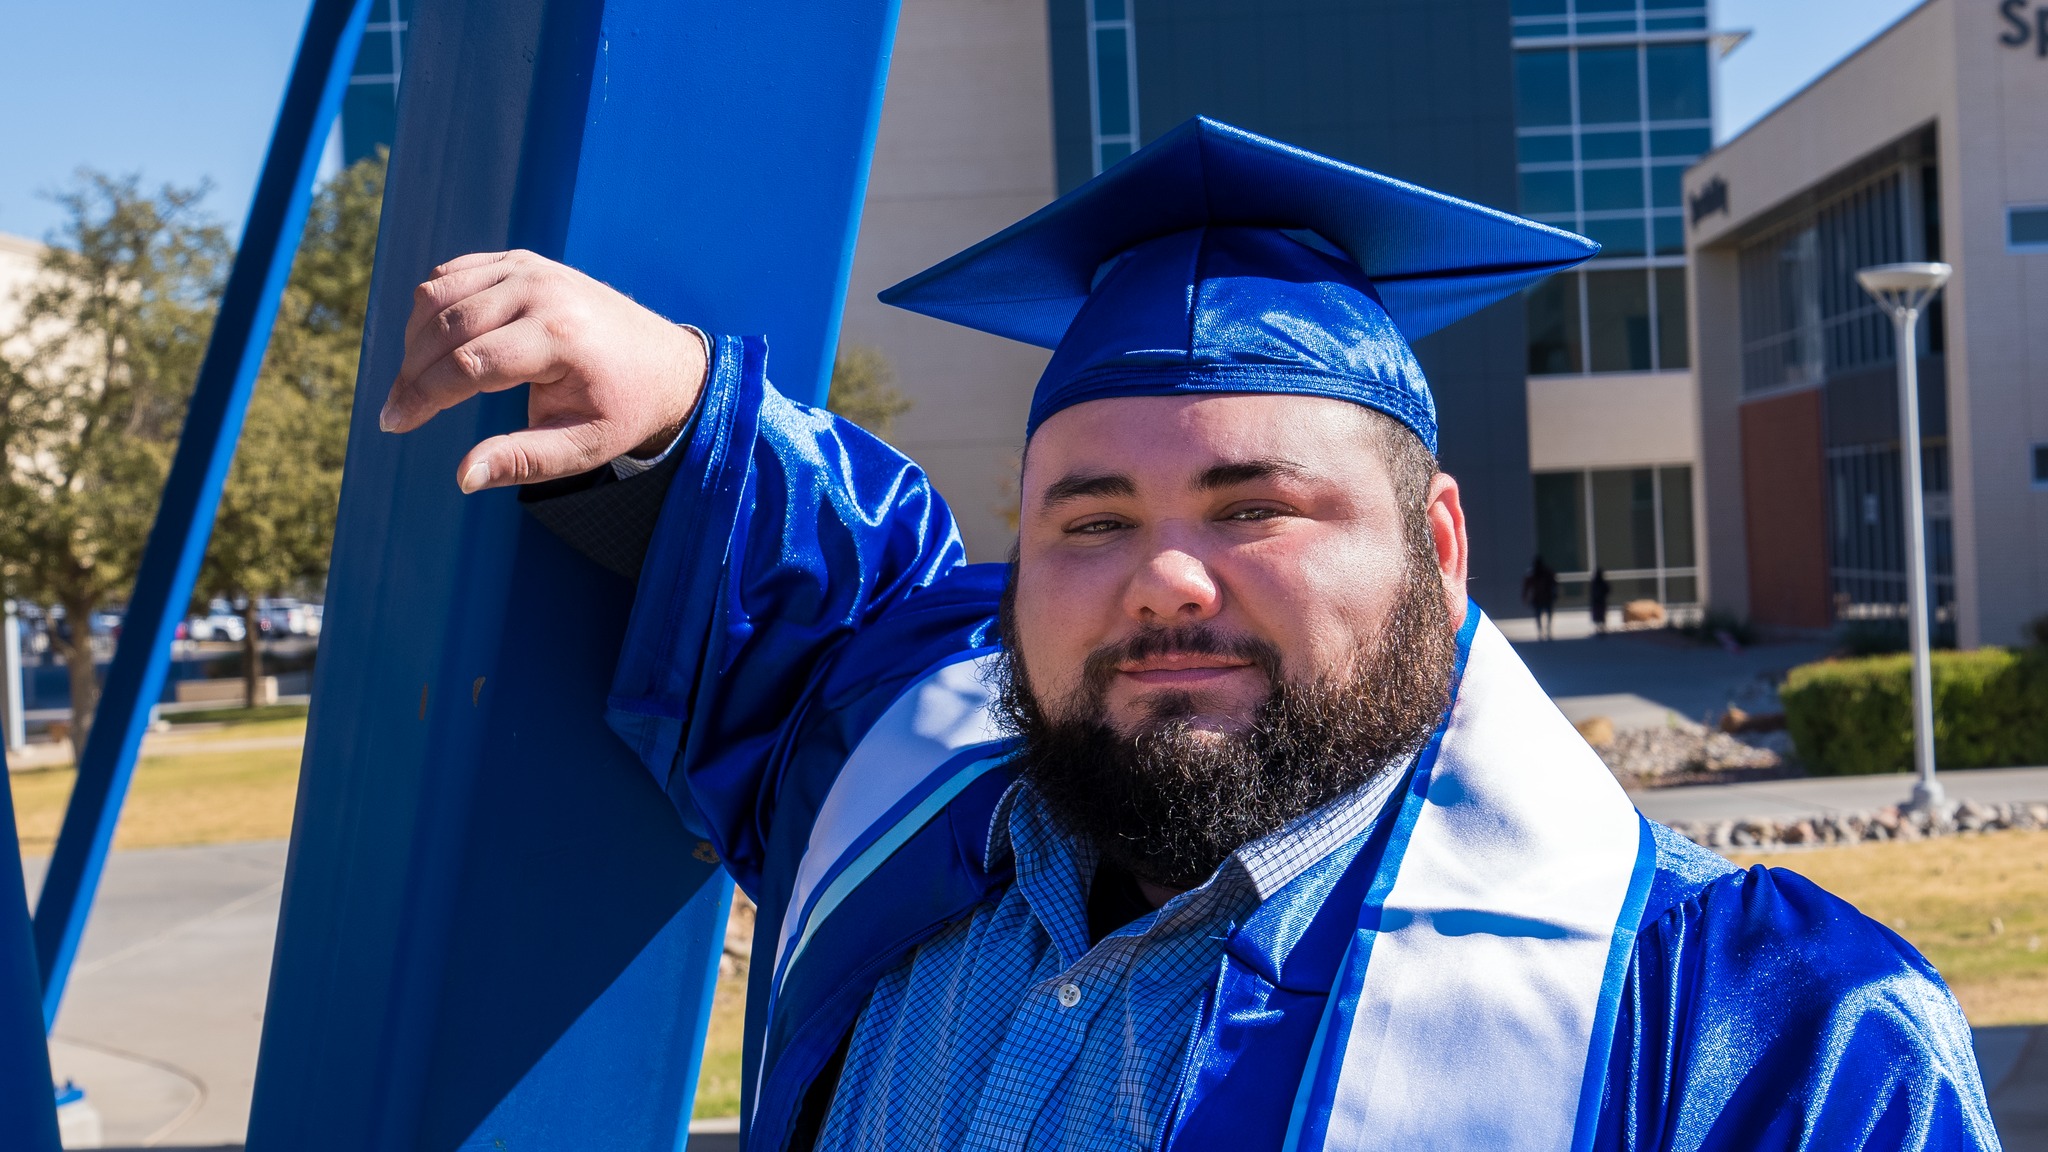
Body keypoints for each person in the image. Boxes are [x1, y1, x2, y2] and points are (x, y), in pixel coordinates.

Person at [379, 119, 1994, 1150]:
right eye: (1088, 519)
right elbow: (822, 611)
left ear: (1436, 544)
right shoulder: (891, 788)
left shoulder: (1746, 1038)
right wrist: (679, 409)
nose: (1162, 578)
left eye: (1253, 507)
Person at [1522, 553, 1559, 640]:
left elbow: (1554, 583)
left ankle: (1545, 631)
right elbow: (1526, 587)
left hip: (1543, 598)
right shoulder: (1534, 574)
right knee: (1541, 615)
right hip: (1541, 598)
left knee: (1542, 615)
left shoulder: (1544, 573)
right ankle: (1543, 631)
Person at [1589, 566, 1612, 635]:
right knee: (1601, 613)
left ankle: (1600, 627)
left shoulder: (1595, 583)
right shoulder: (1601, 583)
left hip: (1598, 601)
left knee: (1599, 613)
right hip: (1600, 601)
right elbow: (1607, 590)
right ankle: (1601, 627)